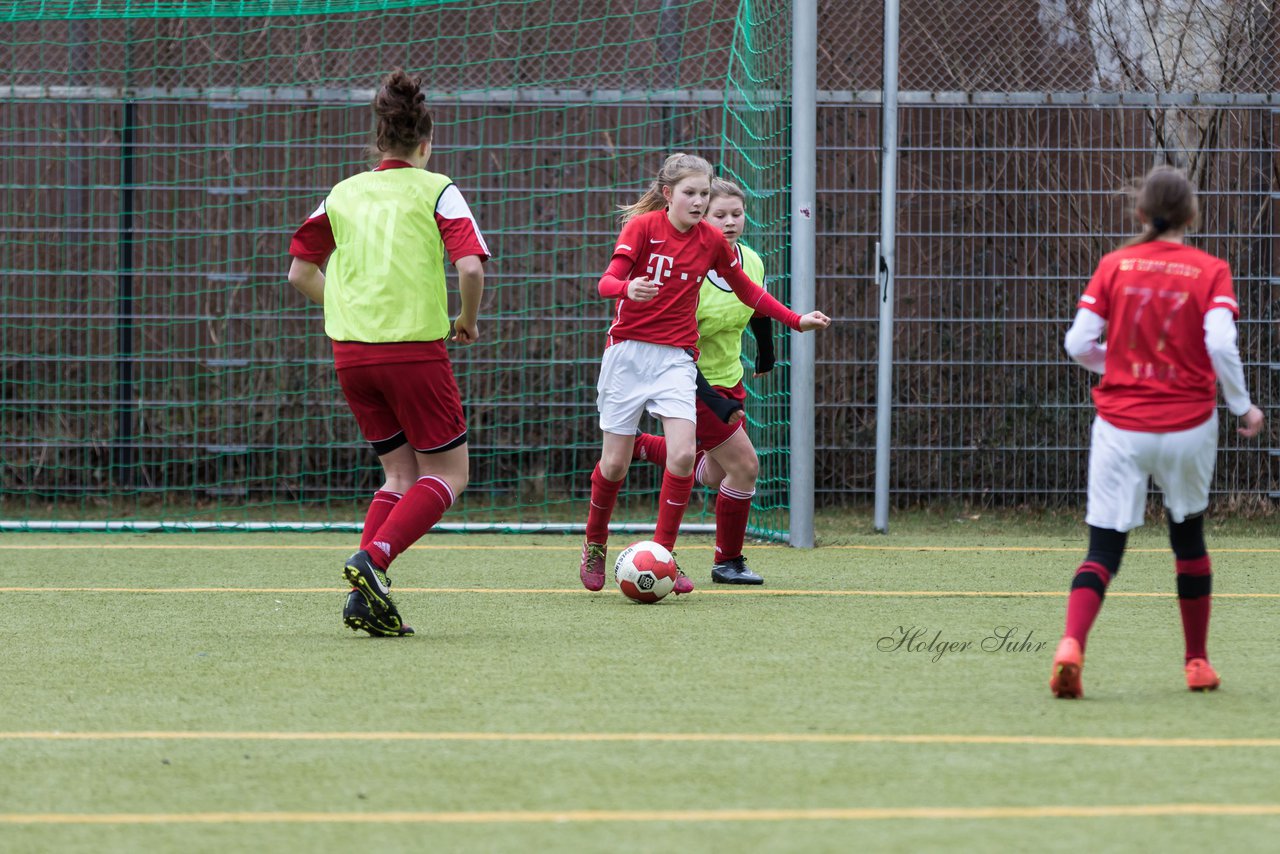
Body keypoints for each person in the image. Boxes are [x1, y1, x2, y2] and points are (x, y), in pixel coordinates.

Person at [287, 69, 490, 637]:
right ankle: (373, 561)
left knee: (399, 474)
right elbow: (470, 266)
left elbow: (300, 270)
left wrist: (346, 309)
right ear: (426, 143)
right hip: (413, 353)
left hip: (351, 356)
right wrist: (467, 321)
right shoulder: (436, 188)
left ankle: (363, 600)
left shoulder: (343, 193)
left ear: (378, 142)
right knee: (450, 473)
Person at [1050, 164, 1264, 698]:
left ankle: (1072, 644)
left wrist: (1117, 365)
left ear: (1141, 213)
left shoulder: (1115, 265)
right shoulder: (1210, 269)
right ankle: (1196, 664)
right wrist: (1243, 406)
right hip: (1189, 424)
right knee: (1187, 536)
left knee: (1104, 547)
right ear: (1191, 215)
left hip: (1121, 425)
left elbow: (1077, 343)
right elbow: (1219, 343)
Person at [578, 154, 830, 594]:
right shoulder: (641, 229)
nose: (697, 202)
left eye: (703, 193)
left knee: (681, 456)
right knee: (614, 464)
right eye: (690, 193)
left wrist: (795, 320)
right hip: (628, 356)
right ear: (667, 194)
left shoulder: (711, 240)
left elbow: (748, 291)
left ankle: (663, 556)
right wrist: (627, 289)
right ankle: (595, 544)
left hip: (677, 359)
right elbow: (605, 282)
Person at [631, 178, 776, 585]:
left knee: (715, 473)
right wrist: (711, 398)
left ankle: (641, 447)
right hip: (686, 380)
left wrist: (766, 352)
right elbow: (669, 338)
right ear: (701, 218)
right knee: (745, 466)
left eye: (736, 214)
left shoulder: (751, 261)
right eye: (719, 215)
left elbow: (757, 305)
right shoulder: (690, 267)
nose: (729, 223)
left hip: (730, 380)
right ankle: (728, 561)